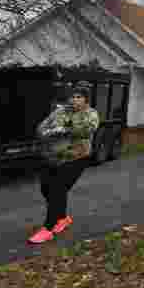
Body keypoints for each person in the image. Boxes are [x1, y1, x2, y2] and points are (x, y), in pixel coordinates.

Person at [28, 81, 100, 244]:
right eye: (73, 97)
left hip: (76, 158)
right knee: (45, 189)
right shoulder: (59, 112)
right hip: (52, 156)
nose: (74, 100)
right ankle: (62, 217)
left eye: (79, 97)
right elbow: (41, 128)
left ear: (86, 100)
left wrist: (65, 129)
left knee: (57, 190)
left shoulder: (91, 114)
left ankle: (48, 228)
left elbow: (87, 129)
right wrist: (49, 132)